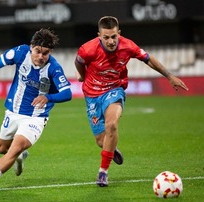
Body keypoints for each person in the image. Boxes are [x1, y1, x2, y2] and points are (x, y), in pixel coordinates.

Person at [74, 16, 188, 187]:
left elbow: (148, 58)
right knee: (101, 140)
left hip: (114, 90)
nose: (111, 41)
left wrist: (169, 76)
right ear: (99, 36)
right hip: (92, 95)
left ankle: (103, 172)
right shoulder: (88, 49)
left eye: (114, 36)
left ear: (119, 33)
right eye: (106, 37)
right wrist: (82, 75)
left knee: (111, 125)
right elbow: (78, 62)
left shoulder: (128, 46)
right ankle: (111, 149)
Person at [0, 28, 72, 190]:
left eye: (45, 53)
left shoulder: (53, 68)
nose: (41, 57)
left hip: (35, 118)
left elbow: (67, 93)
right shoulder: (20, 53)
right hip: (13, 112)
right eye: (37, 51)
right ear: (31, 47)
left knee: (13, 151)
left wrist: (48, 97)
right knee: (2, 149)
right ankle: (21, 156)